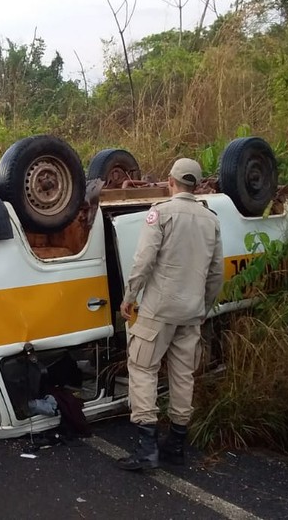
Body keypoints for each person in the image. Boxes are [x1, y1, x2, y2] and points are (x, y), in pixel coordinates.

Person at [116, 157, 224, 471]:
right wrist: (204, 306)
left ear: (170, 181)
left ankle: (147, 449)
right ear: (199, 185)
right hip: (191, 311)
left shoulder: (160, 214)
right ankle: (176, 445)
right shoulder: (211, 220)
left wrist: (130, 296)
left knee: (143, 369)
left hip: (157, 311)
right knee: (182, 374)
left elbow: (144, 260)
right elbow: (216, 273)